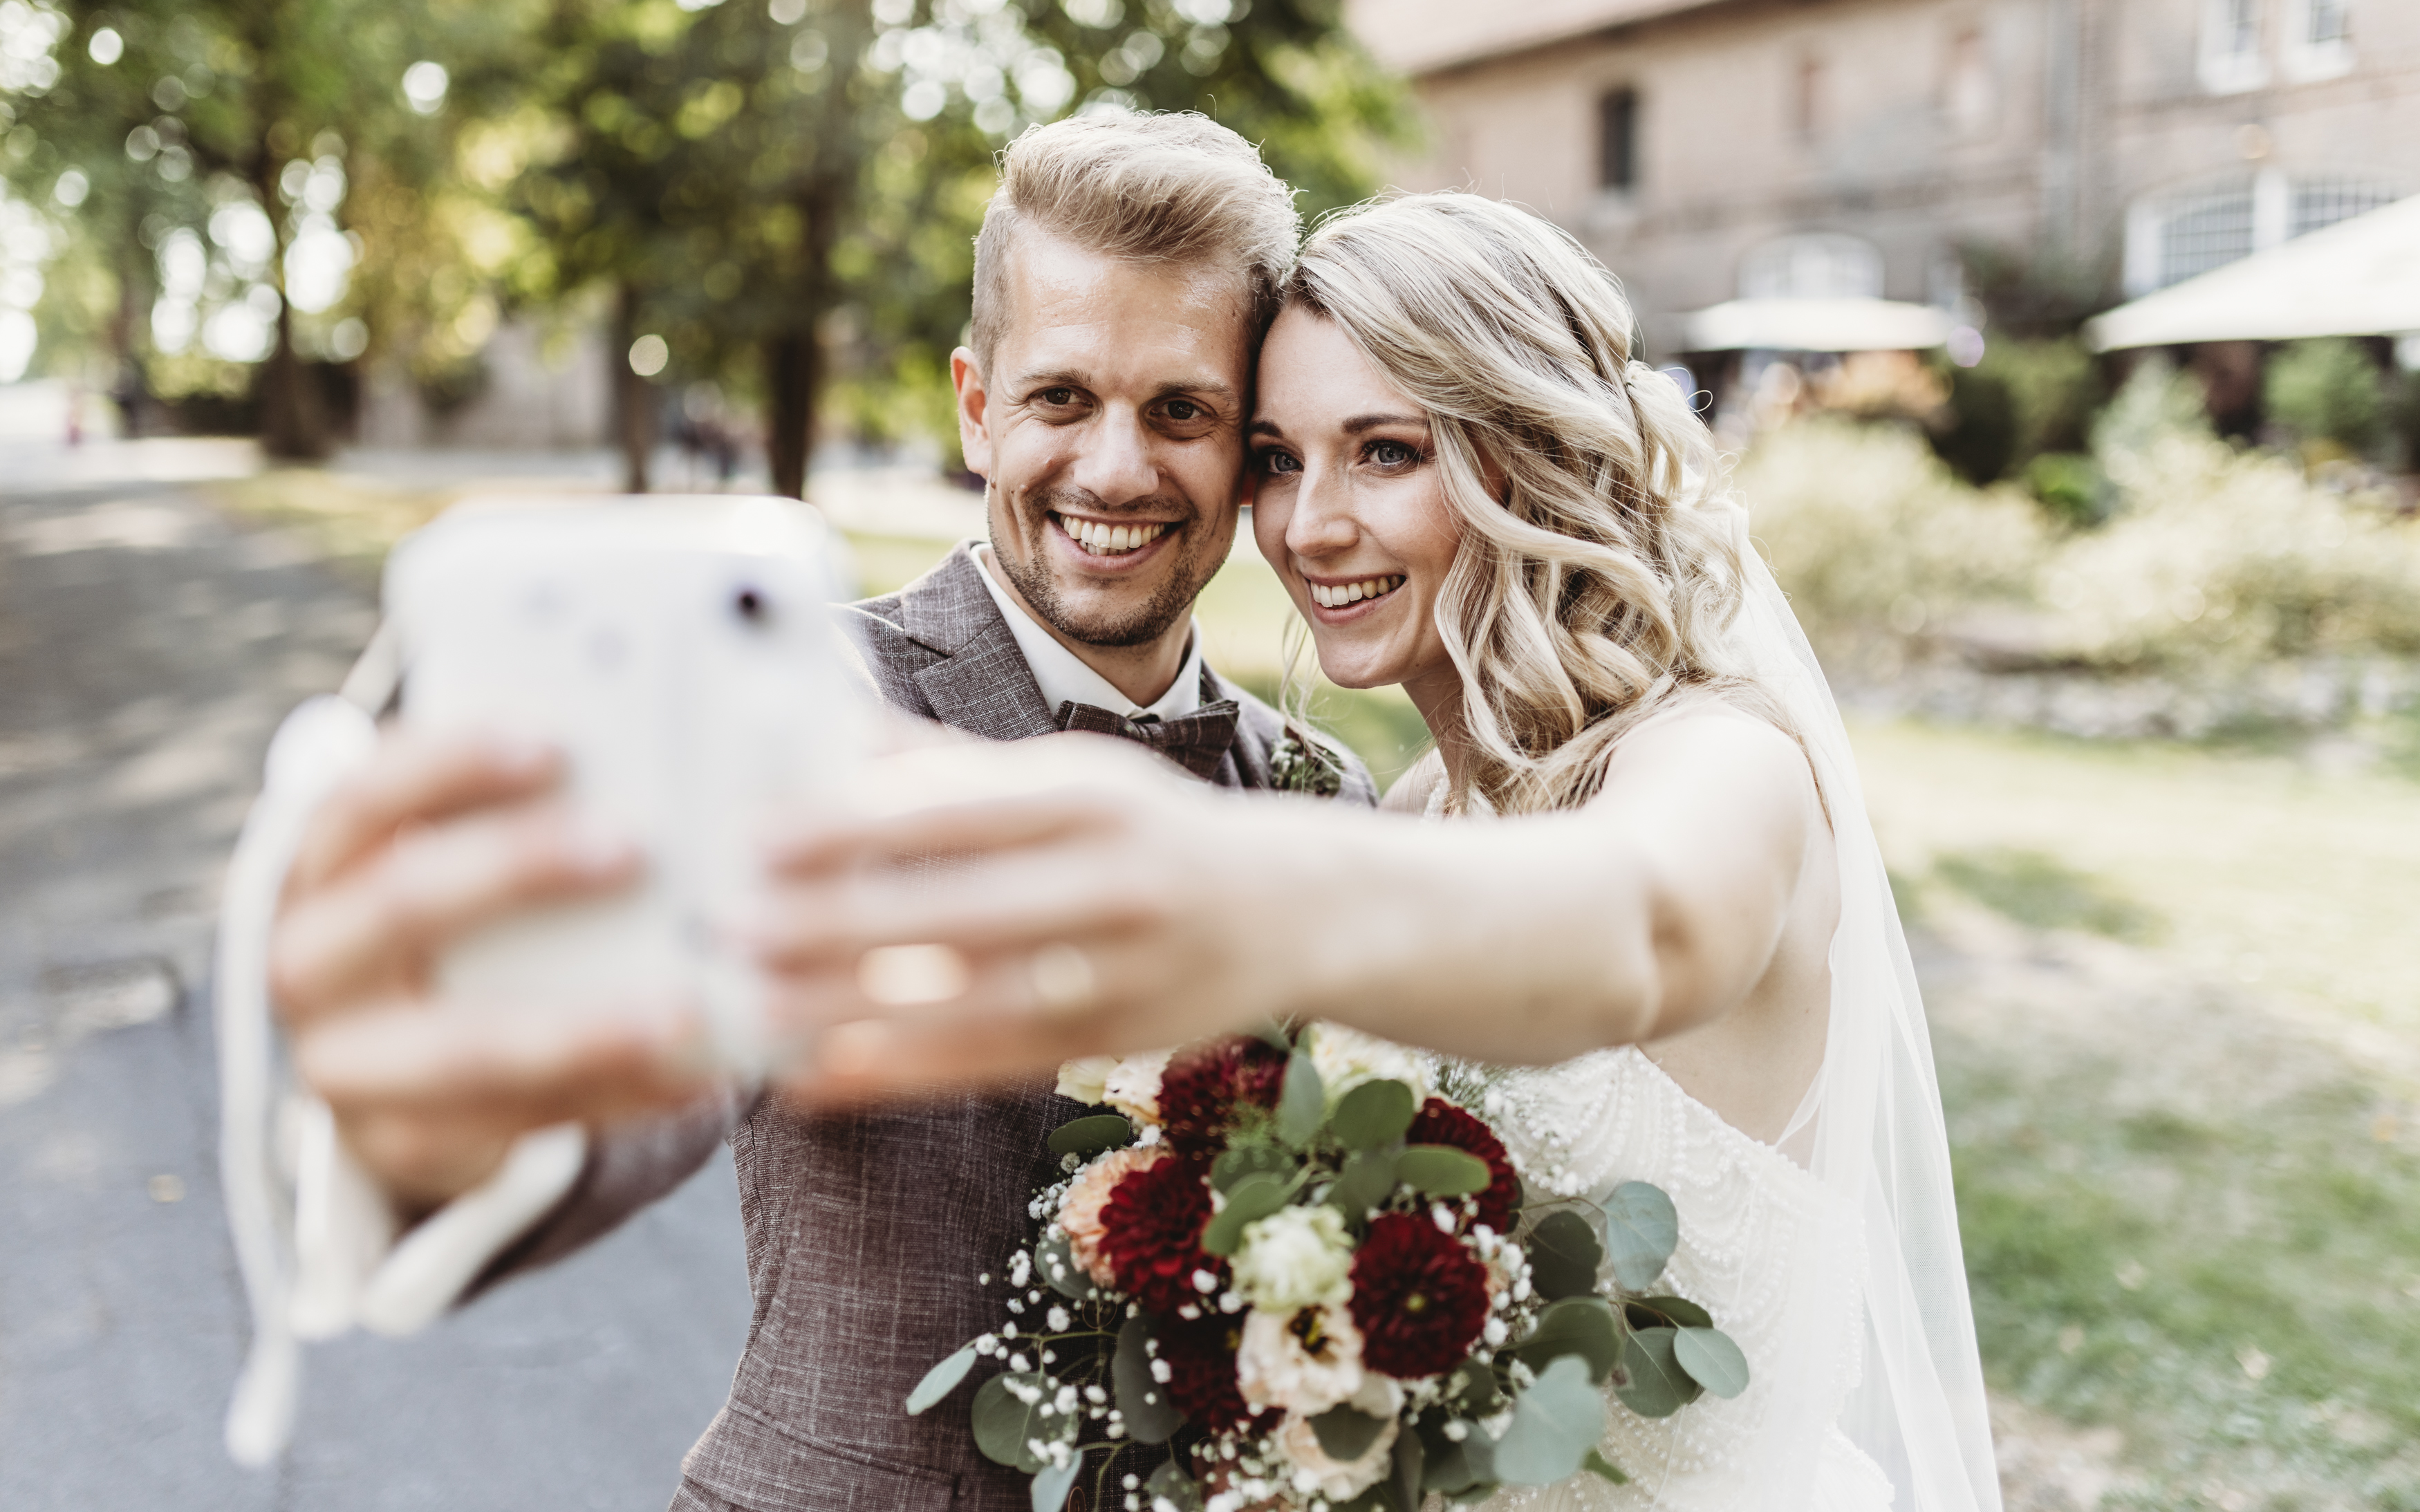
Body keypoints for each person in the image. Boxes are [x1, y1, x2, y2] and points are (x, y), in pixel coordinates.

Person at [747, 195, 2003, 1511]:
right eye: (1281, 458)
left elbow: (1642, 928)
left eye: (1387, 451)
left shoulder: (1720, 760)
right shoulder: (1400, 815)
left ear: (1528, 452)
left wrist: (1213, 880)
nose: (1310, 526)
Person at [266, 111, 1373, 1512]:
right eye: (1058, 400)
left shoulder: (1319, 793)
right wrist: (450, 1131)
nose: (1113, 469)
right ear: (975, 405)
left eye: (1180, 412)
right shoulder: (798, 712)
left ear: (1249, 443)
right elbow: (634, 1088)